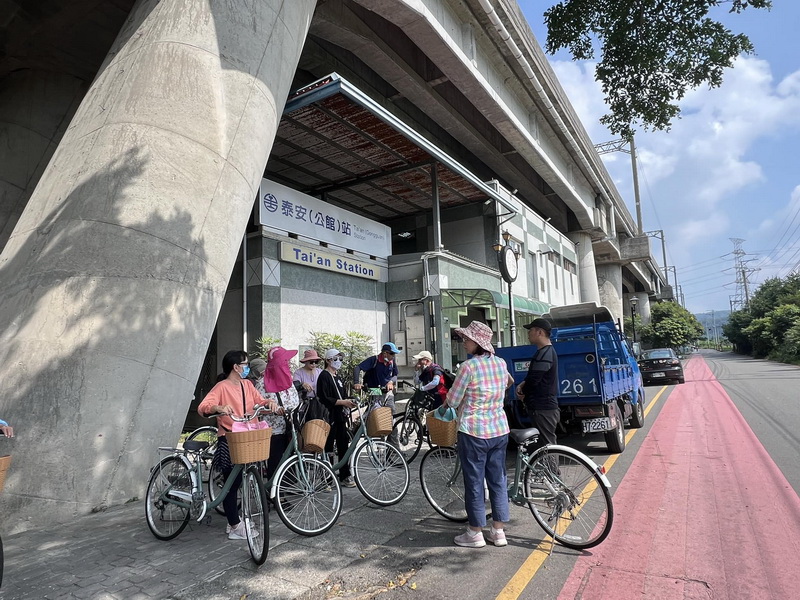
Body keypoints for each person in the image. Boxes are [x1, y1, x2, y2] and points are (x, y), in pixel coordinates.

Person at [443, 321, 514, 548]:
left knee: (474, 482)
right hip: (499, 429)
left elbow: (452, 400)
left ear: (478, 342)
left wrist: (447, 406)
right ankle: (498, 532)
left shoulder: (468, 367)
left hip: (474, 431)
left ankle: (475, 533)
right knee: (498, 480)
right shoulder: (500, 363)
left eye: (467, 339)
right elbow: (508, 383)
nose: (464, 342)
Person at [198, 350, 279, 540]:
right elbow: (204, 406)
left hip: (249, 437)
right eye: (245, 364)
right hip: (230, 437)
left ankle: (235, 520)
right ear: (236, 367)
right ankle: (234, 525)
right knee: (231, 483)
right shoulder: (221, 387)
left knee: (246, 478)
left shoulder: (247, 385)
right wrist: (218, 407)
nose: (247, 367)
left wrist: (270, 403)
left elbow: (259, 401)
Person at [255, 347, 300, 480]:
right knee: (275, 463)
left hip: (289, 427)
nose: (289, 363)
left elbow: (295, 399)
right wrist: (273, 410)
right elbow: (256, 406)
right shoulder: (262, 384)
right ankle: (273, 496)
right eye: (286, 361)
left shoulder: (288, 380)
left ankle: (282, 492)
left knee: (288, 463)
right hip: (272, 431)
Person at [515, 318, 559, 449]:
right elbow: (534, 376)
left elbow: (535, 378)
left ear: (539, 332)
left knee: (547, 445)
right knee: (543, 444)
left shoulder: (545, 353)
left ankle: (552, 470)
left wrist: (523, 392)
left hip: (543, 408)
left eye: (531, 330)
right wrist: (523, 383)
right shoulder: (544, 352)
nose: (528, 333)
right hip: (542, 407)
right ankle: (549, 469)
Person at [317, 348, 357, 488]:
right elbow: (324, 397)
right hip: (330, 415)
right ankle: (326, 477)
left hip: (340, 415)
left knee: (343, 444)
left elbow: (342, 395)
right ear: (328, 360)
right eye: (335, 359)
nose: (338, 362)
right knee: (328, 446)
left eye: (340, 359)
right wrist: (342, 402)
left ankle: (344, 474)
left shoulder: (338, 377)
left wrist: (349, 401)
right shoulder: (324, 376)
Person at [354, 342, 400, 446]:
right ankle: (356, 432)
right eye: (392, 354)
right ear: (385, 353)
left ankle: (394, 449)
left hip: (388, 393)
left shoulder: (391, 362)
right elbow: (357, 368)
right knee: (376, 419)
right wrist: (356, 382)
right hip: (374, 391)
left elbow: (395, 375)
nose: (393, 356)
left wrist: (391, 382)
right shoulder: (373, 360)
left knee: (391, 419)